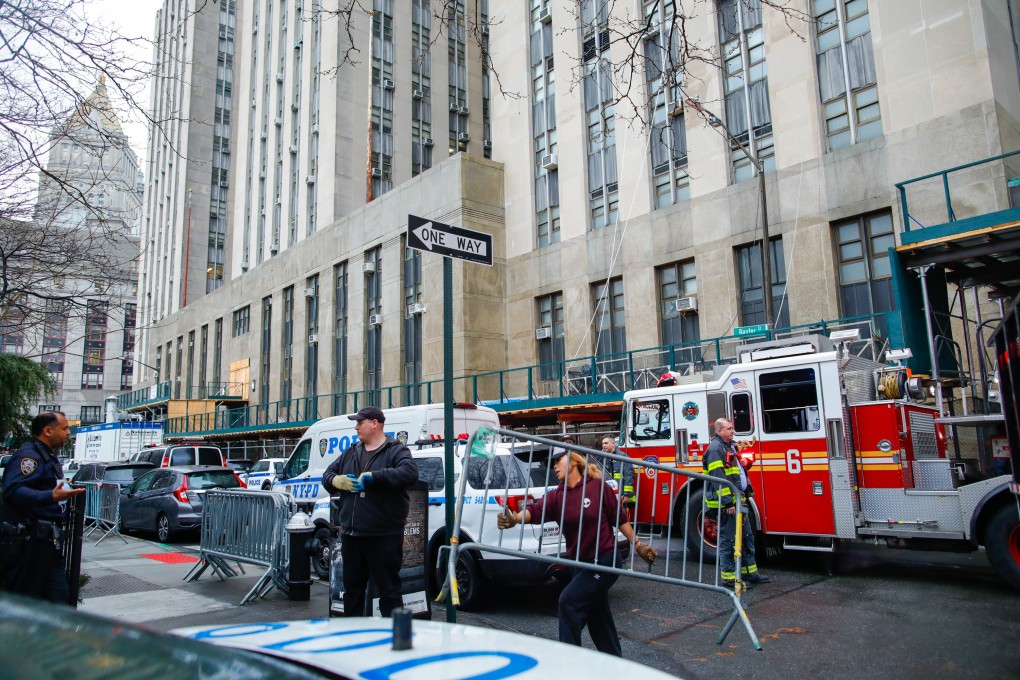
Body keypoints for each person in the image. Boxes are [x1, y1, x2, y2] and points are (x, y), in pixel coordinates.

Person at [497, 449, 657, 657]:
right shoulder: (557, 496)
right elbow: (535, 511)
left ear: (573, 462)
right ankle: (616, 664)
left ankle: (570, 663)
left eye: (557, 461)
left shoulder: (598, 488)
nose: (553, 466)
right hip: (579, 565)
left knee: (568, 602)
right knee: (598, 616)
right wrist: (514, 519)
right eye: (551, 463)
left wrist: (637, 544)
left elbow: (619, 519)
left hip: (604, 561)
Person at [321, 406, 419, 617]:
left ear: (375, 423)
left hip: (383, 537)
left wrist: (375, 477)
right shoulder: (351, 451)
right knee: (352, 593)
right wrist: (336, 481)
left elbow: (410, 472)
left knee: (389, 593)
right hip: (353, 535)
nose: (356, 427)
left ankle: (392, 641)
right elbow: (327, 474)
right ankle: (353, 638)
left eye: (360, 422)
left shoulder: (395, 450)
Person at [0, 411, 85, 604]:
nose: (67, 434)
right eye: (64, 429)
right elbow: (12, 490)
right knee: (27, 604)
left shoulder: (45, 455)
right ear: (47, 430)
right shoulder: (30, 456)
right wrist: (50, 496)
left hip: (45, 542)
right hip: (29, 544)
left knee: (57, 602)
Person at [703, 418, 769, 586]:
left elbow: (736, 471)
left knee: (747, 536)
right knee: (728, 540)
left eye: (732, 428)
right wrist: (727, 503)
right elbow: (719, 478)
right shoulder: (715, 449)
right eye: (729, 429)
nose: (733, 431)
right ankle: (729, 578)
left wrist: (746, 464)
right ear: (719, 431)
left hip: (739, 499)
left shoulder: (731, 445)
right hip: (728, 504)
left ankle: (750, 573)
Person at [600, 436, 635, 520]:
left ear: (613, 444)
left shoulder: (622, 457)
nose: (603, 445)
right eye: (602, 443)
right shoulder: (602, 458)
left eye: (606, 443)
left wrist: (626, 495)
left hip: (621, 497)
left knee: (621, 520)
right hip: (608, 496)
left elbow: (629, 476)